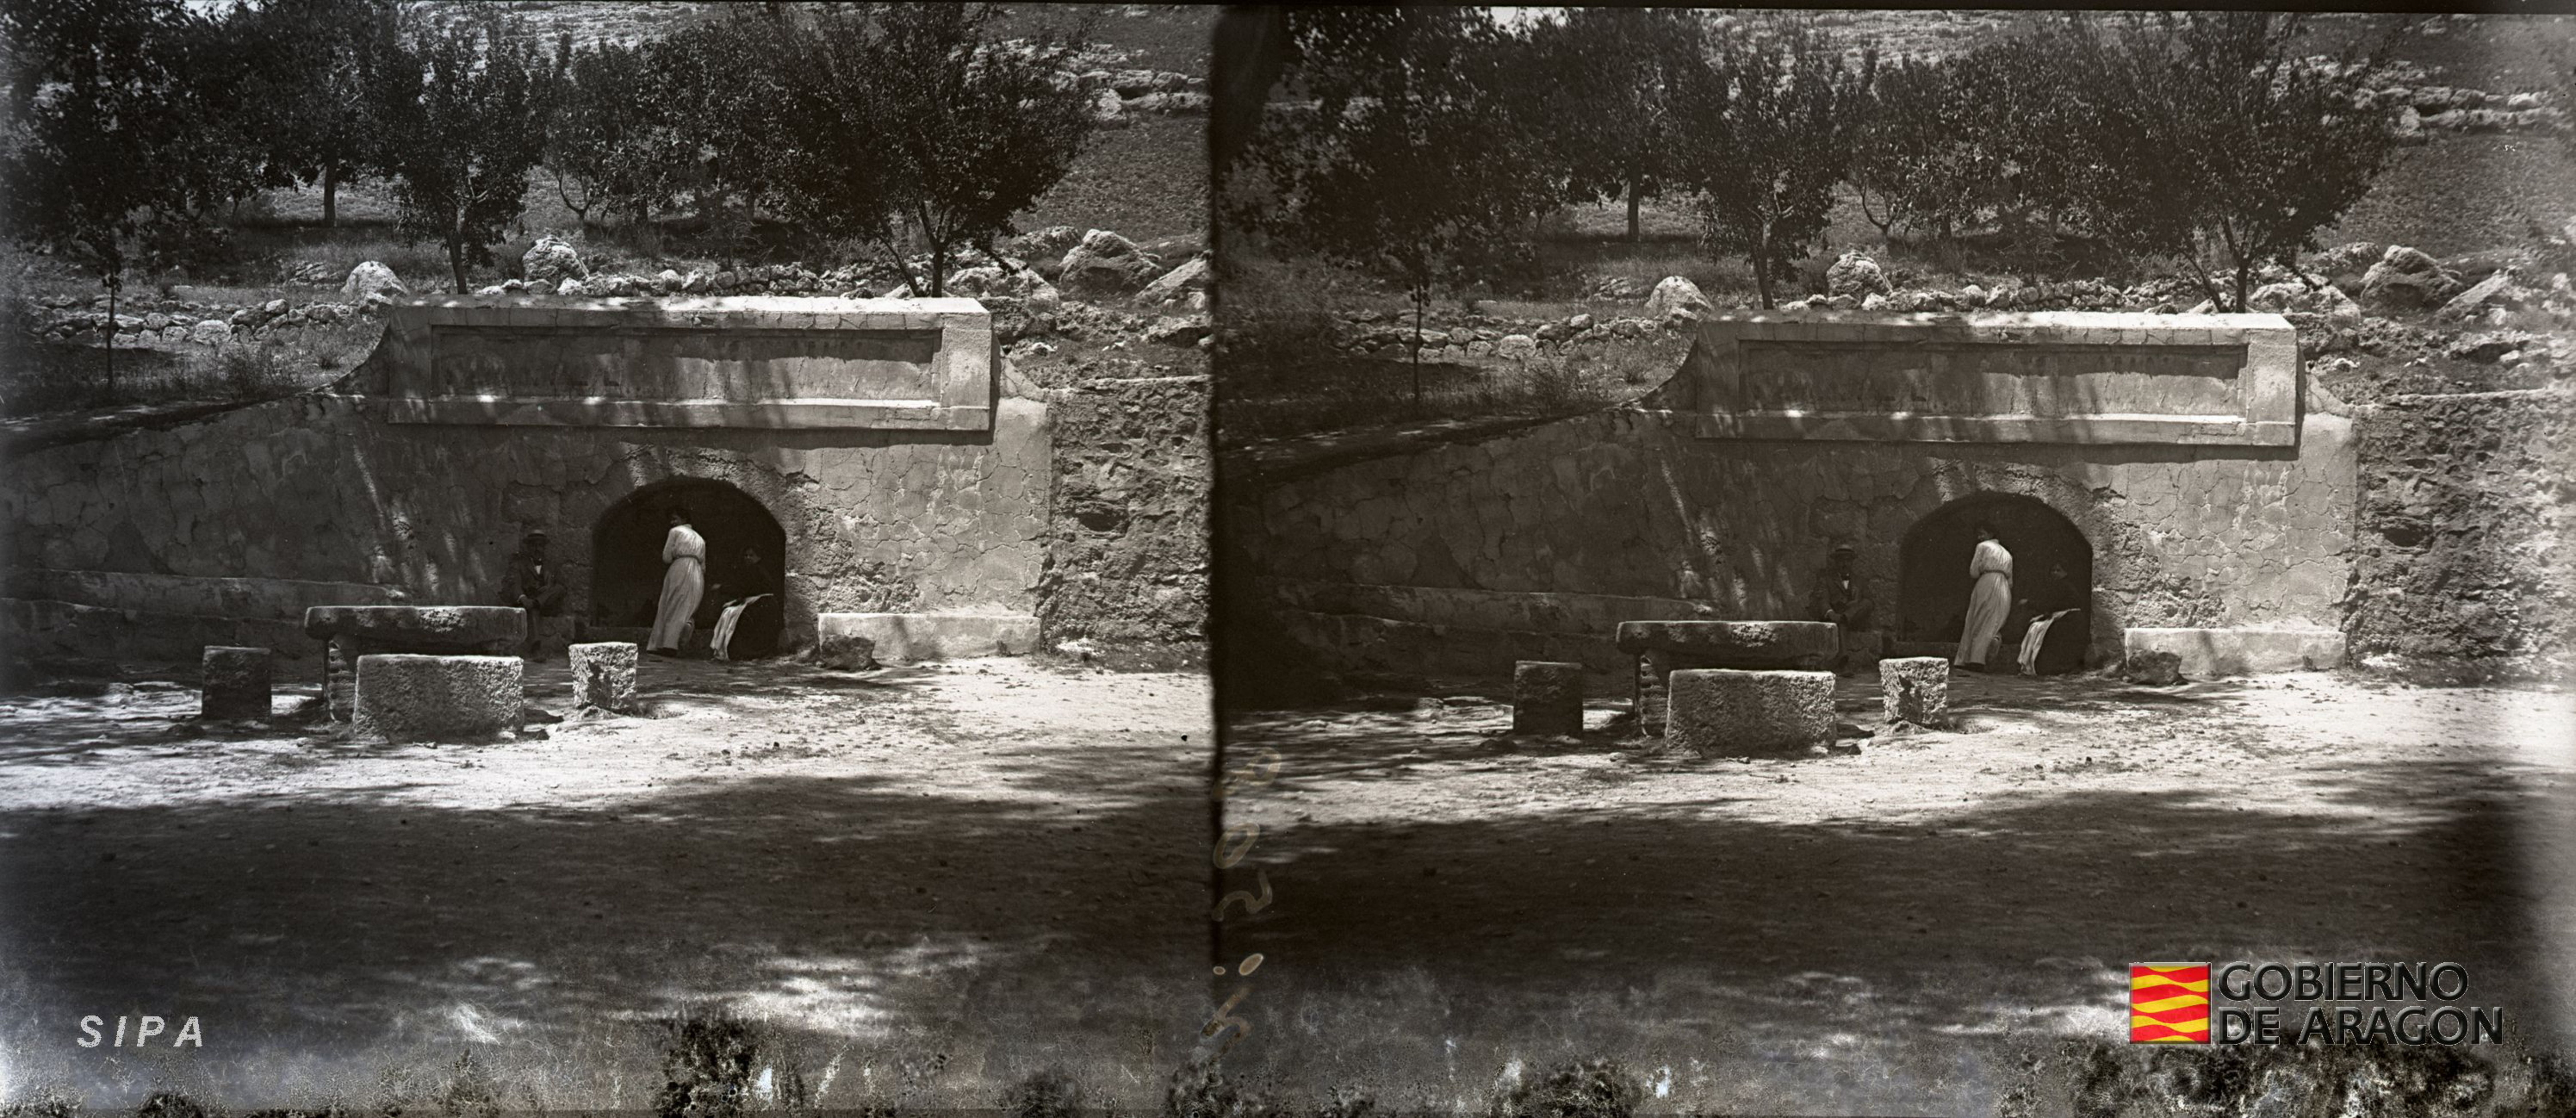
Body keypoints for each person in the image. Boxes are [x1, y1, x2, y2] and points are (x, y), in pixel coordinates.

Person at [647, 506, 707, 657]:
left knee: (672, 604)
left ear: (684, 520)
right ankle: (680, 634)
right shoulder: (701, 539)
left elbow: (667, 557)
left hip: (680, 568)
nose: (672, 522)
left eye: (675, 519)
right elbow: (704, 566)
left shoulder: (675, 532)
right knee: (687, 607)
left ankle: (667, 645)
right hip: (697, 573)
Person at [1953, 523, 2014, 671]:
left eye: (1982, 534)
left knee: (1978, 619)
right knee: (1994, 622)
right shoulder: (2008, 554)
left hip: (1987, 582)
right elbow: (2011, 581)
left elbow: (1974, 571)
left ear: (1991, 534)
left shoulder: (1983, 547)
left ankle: (1974, 660)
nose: (1980, 538)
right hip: (2004, 587)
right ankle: (1988, 649)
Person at [1807, 543, 1874, 673]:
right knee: (1841, 624)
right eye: (1842, 560)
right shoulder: (1827, 580)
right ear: (1836, 562)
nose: (1845, 564)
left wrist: (1854, 608)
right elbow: (1823, 601)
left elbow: (1870, 603)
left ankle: (1846, 618)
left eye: (1848, 560)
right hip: (1836, 618)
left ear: (1852, 562)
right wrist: (1831, 614)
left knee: (1867, 603)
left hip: (1855, 618)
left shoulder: (1860, 581)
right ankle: (1843, 661)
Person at [500, 528, 566, 656]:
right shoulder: (520, 565)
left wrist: (548, 590)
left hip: (547, 604)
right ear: (529, 547)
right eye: (534, 545)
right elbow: (515, 584)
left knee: (560, 589)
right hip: (529, 604)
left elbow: (562, 586)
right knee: (533, 609)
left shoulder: (552, 565)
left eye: (541, 546)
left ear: (545, 548)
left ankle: (538, 603)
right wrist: (524, 599)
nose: (538, 549)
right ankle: (536, 648)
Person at [710, 546, 780, 661]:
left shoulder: (757, 570)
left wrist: (722, 588)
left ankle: (743, 653)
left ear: (759, 557)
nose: (748, 558)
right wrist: (736, 601)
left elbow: (744, 589)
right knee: (729, 612)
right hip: (757, 602)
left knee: (736, 616)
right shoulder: (753, 570)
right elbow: (748, 591)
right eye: (746, 555)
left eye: (752, 555)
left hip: (764, 605)